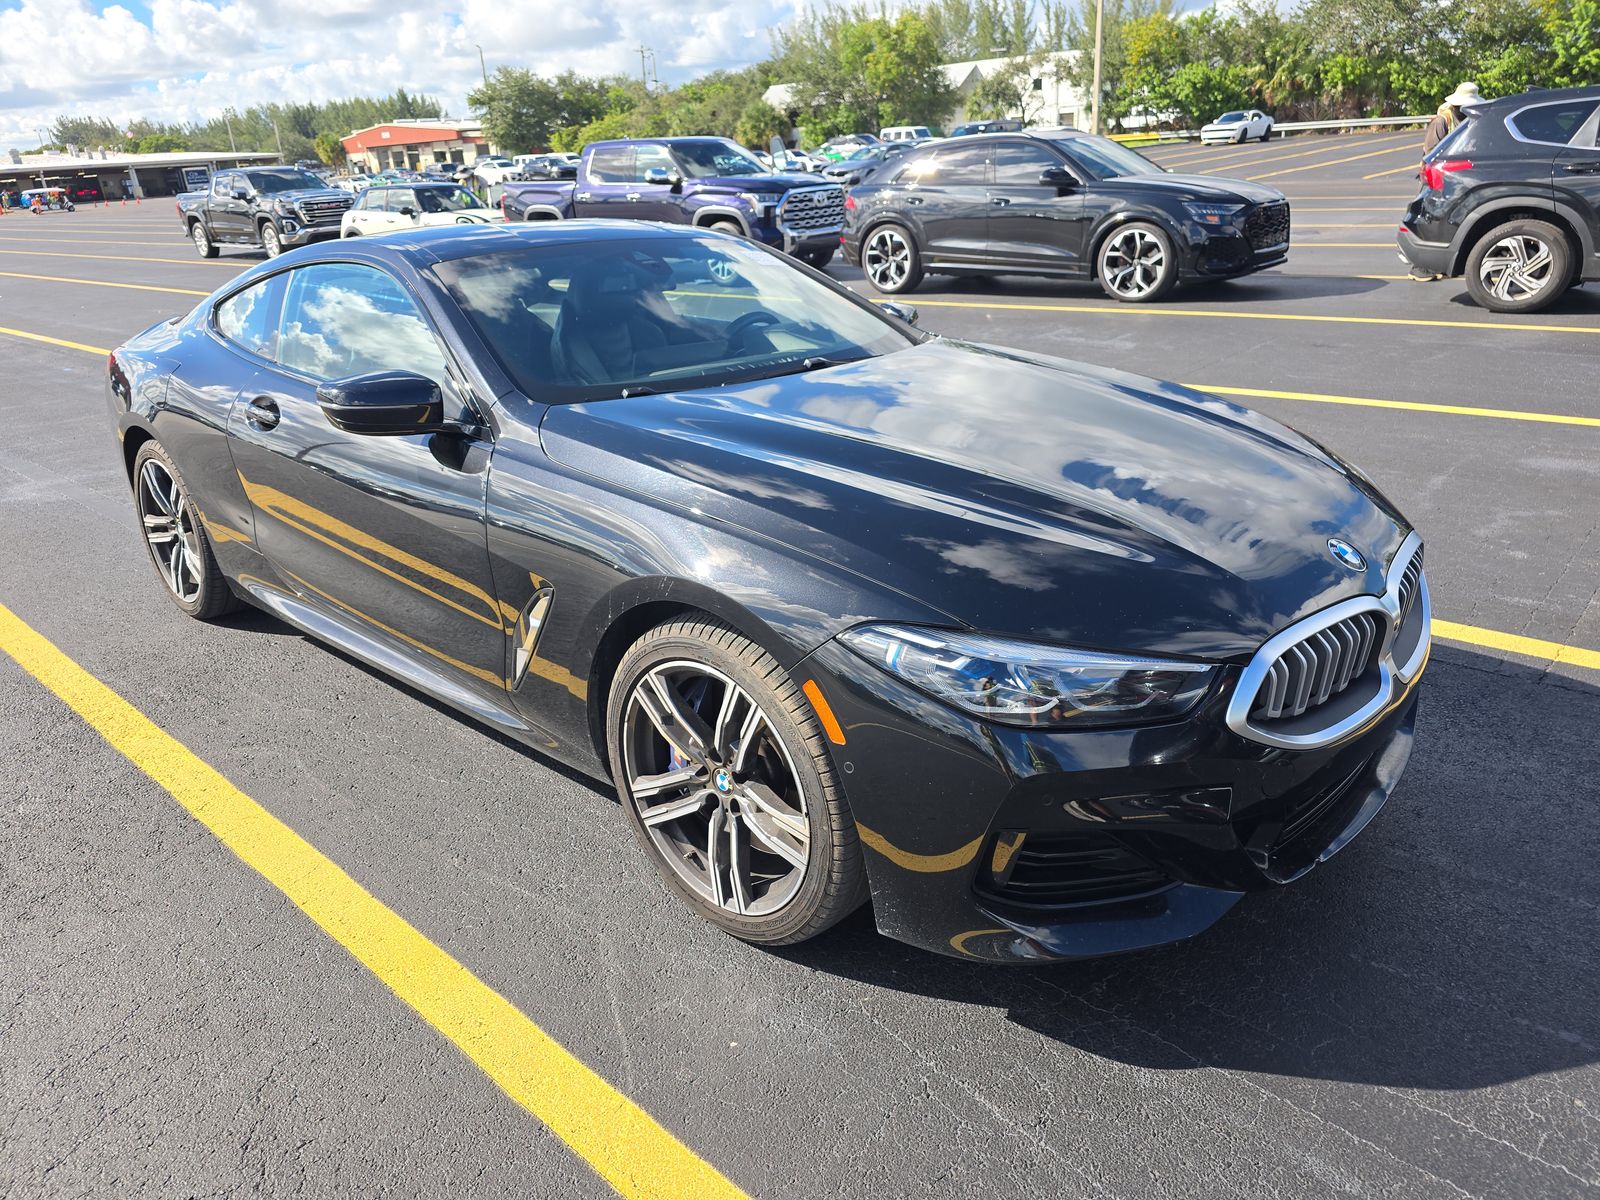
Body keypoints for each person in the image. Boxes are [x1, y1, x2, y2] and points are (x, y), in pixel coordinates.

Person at [1410, 82, 1484, 279]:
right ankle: (1420, 266)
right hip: (1436, 177)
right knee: (1428, 219)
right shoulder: (1442, 121)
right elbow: (1432, 152)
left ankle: (1437, 262)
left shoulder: (1471, 120)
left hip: (1457, 178)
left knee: (1447, 221)